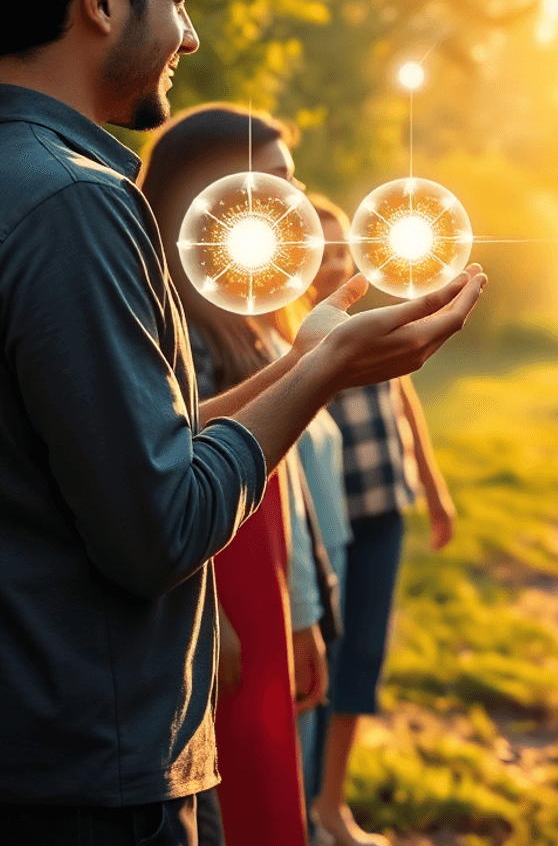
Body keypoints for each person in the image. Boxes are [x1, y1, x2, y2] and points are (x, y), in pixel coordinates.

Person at [0, 0, 485, 845]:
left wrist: (301, 358)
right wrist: (333, 366)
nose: (191, 35)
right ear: (104, 1)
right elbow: (158, 524)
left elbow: (110, 454)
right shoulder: (76, 206)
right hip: (89, 780)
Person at [140, 103, 344, 846]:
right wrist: (213, 617)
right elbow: (167, 459)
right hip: (216, 600)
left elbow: (284, 489)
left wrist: (305, 611)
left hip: (265, 594)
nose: (299, 200)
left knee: (271, 789)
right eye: (280, 180)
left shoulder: (257, 318)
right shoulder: (177, 325)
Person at [303, 195, 458, 846]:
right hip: (325, 524)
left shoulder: (371, 320)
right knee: (321, 663)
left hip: (383, 508)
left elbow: (405, 397)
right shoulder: (293, 338)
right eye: (323, 253)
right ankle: (303, 799)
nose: (337, 265)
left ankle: (331, 803)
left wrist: (432, 481)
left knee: (363, 656)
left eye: (344, 251)